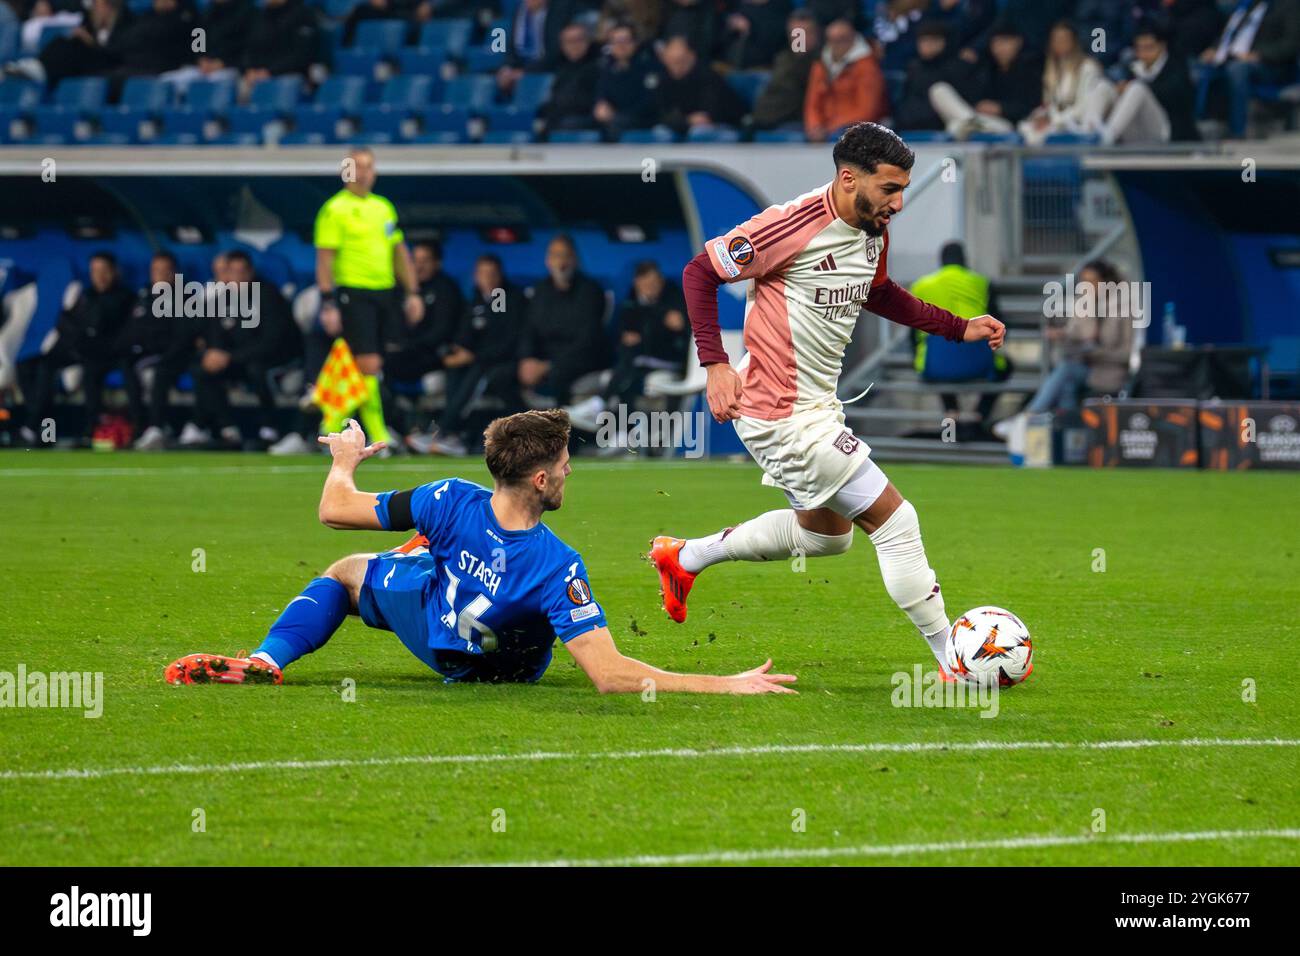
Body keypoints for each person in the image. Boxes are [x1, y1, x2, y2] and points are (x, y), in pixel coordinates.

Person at [654, 123, 1005, 681]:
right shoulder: (788, 226)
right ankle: (953, 659)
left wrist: (958, 328)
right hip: (778, 413)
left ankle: (685, 557)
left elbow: (880, 291)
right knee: (897, 521)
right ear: (848, 179)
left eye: (903, 188)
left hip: (816, 407)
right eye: (889, 188)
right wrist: (716, 364)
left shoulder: (873, 227)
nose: (898, 201)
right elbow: (699, 273)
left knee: (825, 536)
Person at [165, 410, 797, 695]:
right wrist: (724, 683)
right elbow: (610, 676)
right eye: (566, 465)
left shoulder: (448, 497)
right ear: (542, 481)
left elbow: (335, 510)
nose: (571, 473)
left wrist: (343, 461)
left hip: (435, 627)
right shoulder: (559, 564)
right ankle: (425, 560)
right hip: (504, 672)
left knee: (346, 572)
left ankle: (269, 661)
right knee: (427, 566)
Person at [313, 146, 423, 453]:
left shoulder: (383, 207)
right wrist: (327, 300)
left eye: (368, 167)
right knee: (368, 364)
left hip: (384, 292)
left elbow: (399, 252)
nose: (363, 173)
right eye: (357, 167)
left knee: (370, 365)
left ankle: (330, 425)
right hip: (354, 291)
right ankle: (377, 435)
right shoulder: (335, 209)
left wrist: (413, 292)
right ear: (346, 172)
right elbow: (324, 258)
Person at [993, 259, 1132, 440]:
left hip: (1109, 373)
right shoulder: (1085, 304)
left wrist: (1096, 354)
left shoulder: (1122, 309)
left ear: (1106, 283)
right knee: (1067, 383)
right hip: (1085, 367)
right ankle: (1070, 438)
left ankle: (1026, 419)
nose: (1087, 287)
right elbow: (1076, 332)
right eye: (1084, 282)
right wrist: (1063, 335)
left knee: (1067, 371)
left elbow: (1127, 354)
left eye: (1092, 282)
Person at [407, 253, 526, 456]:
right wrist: (458, 350)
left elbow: (504, 338)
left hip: (502, 363)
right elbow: (467, 332)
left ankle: (446, 431)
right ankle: (452, 435)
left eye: (492, 274)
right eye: (482, 273)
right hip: (479, 360)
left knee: (477, 372)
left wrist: (473, 355)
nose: (487, 279)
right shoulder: (476, 299)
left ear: (500, 275)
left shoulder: (505, 298)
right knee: (456, 370)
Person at [181, 250, 303, 450]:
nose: (236, 278)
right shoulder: (222, 299)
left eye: (241, 272)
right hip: (237, 360)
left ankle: (269, 429)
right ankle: (228, 429)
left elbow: (272, 342)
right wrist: (215, 353)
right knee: (202, 368)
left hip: (274, 359)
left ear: (250, 272)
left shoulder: (268, 295)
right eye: (232, 272)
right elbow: (215, 334)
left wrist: (230, 356)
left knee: (256, 368)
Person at [16, 250, 134, 446]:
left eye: (104, 271)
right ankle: (43, 430)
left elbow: (120, 332)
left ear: (114, 272)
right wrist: (76, 341)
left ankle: (90, 430)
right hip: (78, 349)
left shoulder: (124, 298)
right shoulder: (85, 295)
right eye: (95, 271)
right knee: (33, 366)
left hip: (105, 354)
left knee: (91, 372)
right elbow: (66, 322)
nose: (100, 276)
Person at [564, 260, 690, 433]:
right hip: (640, 362)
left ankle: (600, 408)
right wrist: (652, 328)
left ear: (661, 280)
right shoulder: (632, 301)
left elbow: (676, 327)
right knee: (628, 376)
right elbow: (625, 334)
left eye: (654, 283)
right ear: (637, 283)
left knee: (628, 367)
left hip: (669, 359)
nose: (651, 288)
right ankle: (622, 432)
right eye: (646, 284)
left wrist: (648, 332)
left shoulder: (674, 296)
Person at [909, 241, 1010, 434]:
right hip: (978, 362)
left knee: (937, 357)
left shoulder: (921, 285)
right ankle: (978, 415)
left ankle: (951, 411)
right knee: (1006, 367)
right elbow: (1000, 325)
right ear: (965, 260)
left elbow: (913, 334)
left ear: (941, 261)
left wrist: (916, 359)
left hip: (936, 364)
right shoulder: (982, 283)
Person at [517, 234, 610, 408]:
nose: (561, 262)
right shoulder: (540, 290)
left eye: (565, 256)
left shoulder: (590, 291)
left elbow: (588, 339)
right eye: (555, 256)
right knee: (505, 375)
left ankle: (563, 430)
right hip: (544, 356)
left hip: (580, 358)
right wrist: (527, 358)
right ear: (547, 261)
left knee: (558, 375)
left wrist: (548, 365)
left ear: (575, 260)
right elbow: (528, 329)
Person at [121, 251, 201, 451]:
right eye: (156, 271)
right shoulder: (144, 295)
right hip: (148, 355)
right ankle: (140, 428)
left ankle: (157, 427)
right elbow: (132, 330)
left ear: (175, 273)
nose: (160, 275)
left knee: (160, 371)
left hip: (177, 356)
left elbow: (184, 335)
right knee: (126, 365)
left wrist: (165, 354)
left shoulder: (186, 297)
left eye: (165, 271)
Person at [1196, 0, 1300, 138]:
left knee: (1237, 70)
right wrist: (1215, 49)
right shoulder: (1246, 5)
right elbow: (1229, 34)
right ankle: (1195, 129)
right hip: (1233, 58)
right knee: (1194, 68)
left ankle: (1238, 131)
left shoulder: (1289, 5)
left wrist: (1258, 55)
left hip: (1272, 66)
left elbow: (1290, 44)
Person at [929, 21, 1041, 139]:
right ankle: (969, 122)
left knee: (954, 126)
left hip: (1006, 125)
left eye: (1004, 42)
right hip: (979, 118)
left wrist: (1001, 109)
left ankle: (967, 124)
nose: (999, 48)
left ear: (1018, 42)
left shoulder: (1030, 69)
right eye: (996, 43)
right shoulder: (987, 68)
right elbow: (970, 97)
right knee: (939, 89)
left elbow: (1031, 108)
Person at [1100, 20, 1199, 144]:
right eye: (1139, 48)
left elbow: (1175, 96)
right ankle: (1089, 131)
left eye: (1149, 48)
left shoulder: (1176, 66)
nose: (1144, 54)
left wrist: (1136, 87)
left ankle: (1106, 138)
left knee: (1137, 88)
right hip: (1135, 133)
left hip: (1167, 132)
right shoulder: (1133, 68)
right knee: (1104, 87)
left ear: (1162, 46)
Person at [1017, 20, 1114, 146]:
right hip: (1058, 120)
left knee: (1041, 135)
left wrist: (1055, 120)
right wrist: (1042, 116)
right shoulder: (1050, 70)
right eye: (1056, 39)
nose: (1059, 43)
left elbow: (1084, 108)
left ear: (1074, 41)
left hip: (1078, 123)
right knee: (1025, 129)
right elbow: (1049, 104)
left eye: (1064, 39)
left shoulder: (1087, 67)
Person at [802, 18, 888, 142]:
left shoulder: (867, 68)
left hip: (854, 129)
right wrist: (814, 126)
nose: (836, 45)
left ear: (852, 39)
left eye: (841, 40)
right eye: (832, 40)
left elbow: (867, 110)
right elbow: (813, 103)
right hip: (825, 129)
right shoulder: (821, 65)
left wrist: (830, 128)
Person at [892, 18, 979, 131]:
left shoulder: (957, 67)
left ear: (943, 42)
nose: (927, 46)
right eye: (923, 41)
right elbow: (906, 101)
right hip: (914, 126)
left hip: (949, 125)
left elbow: (963, 103)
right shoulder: (914, 67)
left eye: (932, 41)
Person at [652, 35, 746, 135]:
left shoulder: (708, 77)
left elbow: (707, 117)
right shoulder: (664, 79)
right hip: (682, 126)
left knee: (699, 132)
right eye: (670, 62)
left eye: (679, 61)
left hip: (725, 125)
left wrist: (682, 120)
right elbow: (659, 113)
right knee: (661, 132)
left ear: (692, 56)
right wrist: (685, 120)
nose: (675, 67)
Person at [751, 10, 820, 130]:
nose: (799, 40)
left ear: (815, 34)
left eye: (804, 34)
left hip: (798, 119)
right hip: (767, 118)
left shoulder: (822, 61)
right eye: (795, 34)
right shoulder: (782, 58)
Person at [592, 21, 659, 137]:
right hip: (615, 119)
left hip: (643, 119)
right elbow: (601, 93)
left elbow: (650, 101)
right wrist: (601, 105)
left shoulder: (649, 66)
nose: (621, 46)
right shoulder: (606, 68)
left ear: (635, 43)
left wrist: (616, 114)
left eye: (625, 41)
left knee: (615, 125)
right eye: (616, 42)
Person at [538, 21, 601, 133]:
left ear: (587, 42)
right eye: (569, 42)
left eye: (578, 40)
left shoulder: (598, 67)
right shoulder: (561, 69)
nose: (574, 45)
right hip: (561, 118)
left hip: (585, 119)